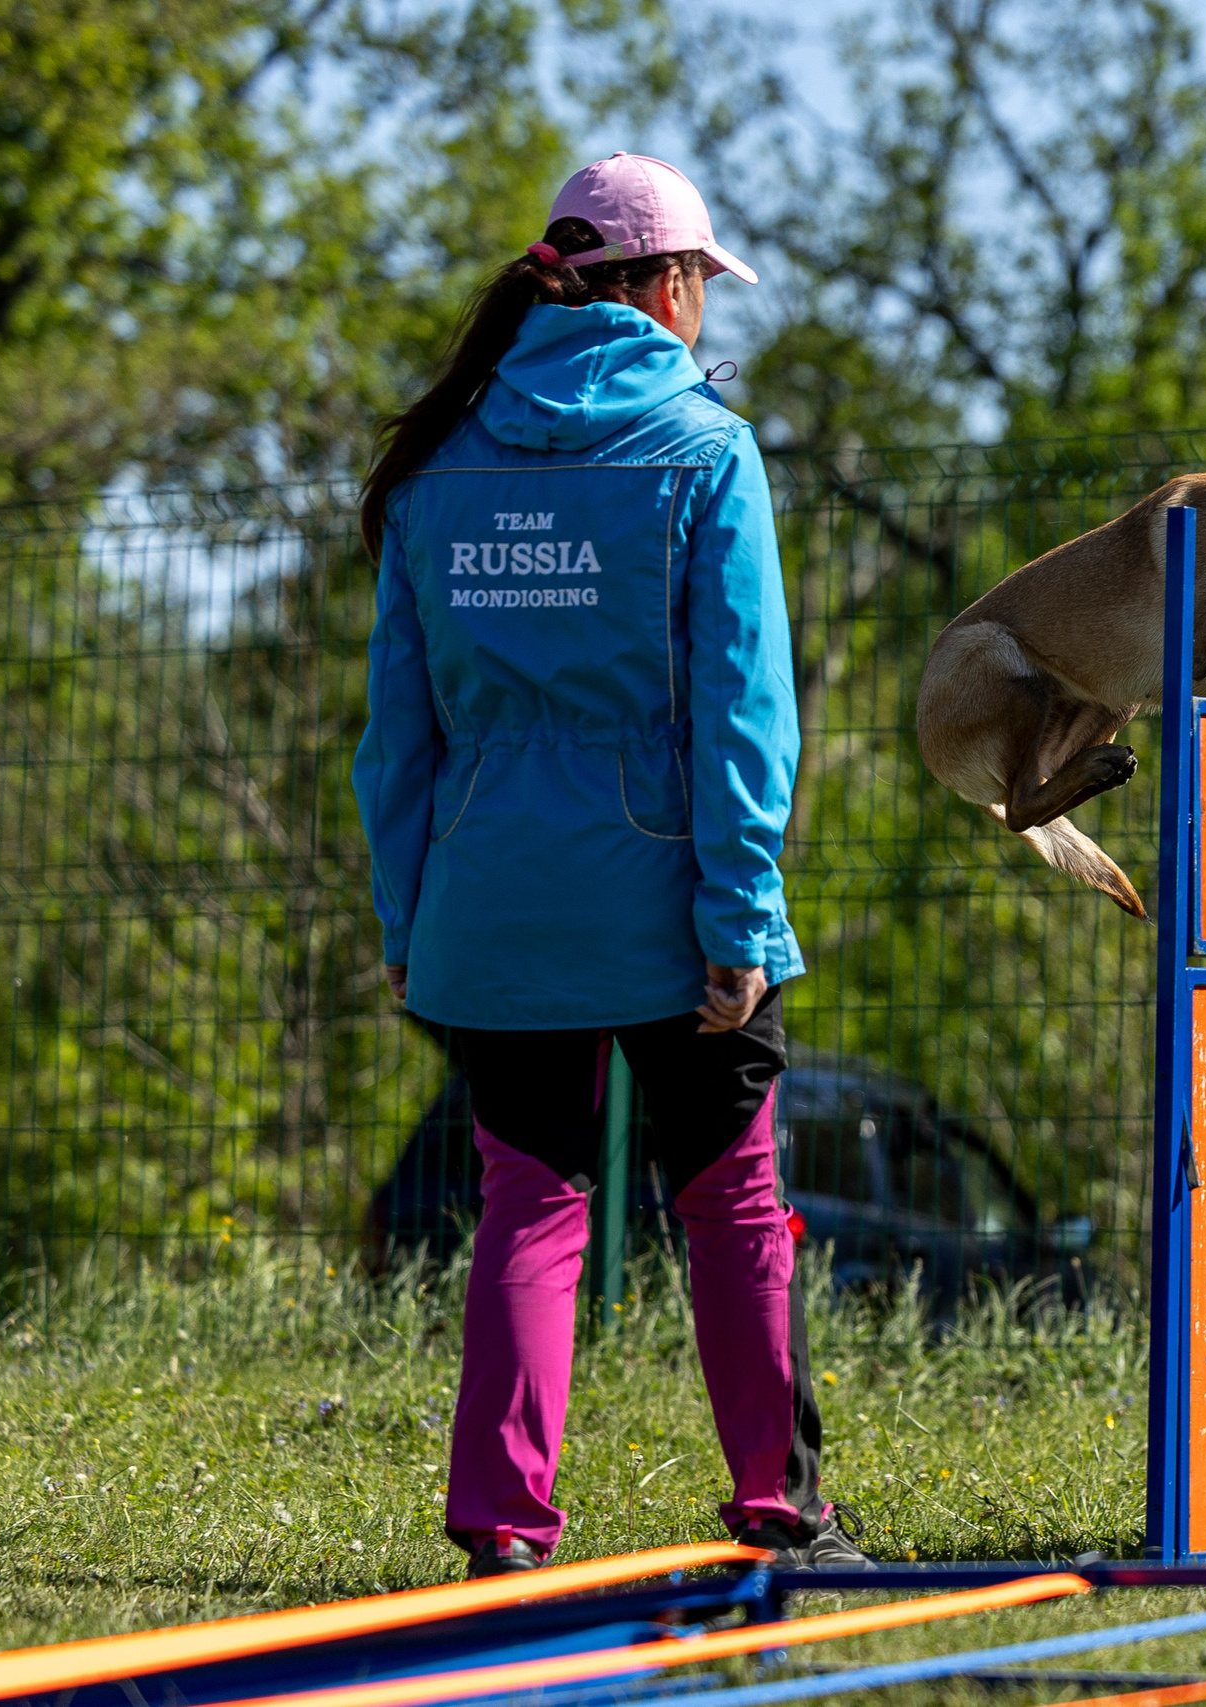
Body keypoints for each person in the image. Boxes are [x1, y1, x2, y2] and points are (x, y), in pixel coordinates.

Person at [353, 153, 866, 1574]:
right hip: (670, 899)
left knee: (529, 1197)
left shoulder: (440, 462)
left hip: (488, 902)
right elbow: (741, 708)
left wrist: (410, 913)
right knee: (738, 1202)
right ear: (663, 285)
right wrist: (738, 912)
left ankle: (505, 1527)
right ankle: (784, 1507)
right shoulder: (704, 451)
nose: (703, 306)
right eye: (700, 280)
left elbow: (399, 729)